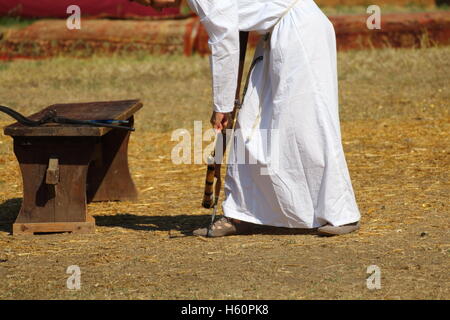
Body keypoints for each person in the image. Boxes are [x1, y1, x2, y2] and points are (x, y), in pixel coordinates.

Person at [136, 0, 361, 237]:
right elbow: (234, 28)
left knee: (308, 124)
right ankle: (241, 213)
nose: (156, 9)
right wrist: (226, 101)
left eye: (151, 1)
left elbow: (225, 43)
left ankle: (341, 212)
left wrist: (221, 105)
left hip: (300, 32)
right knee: (251, 122)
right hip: (277, 33)